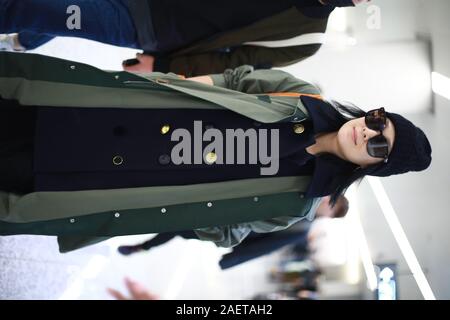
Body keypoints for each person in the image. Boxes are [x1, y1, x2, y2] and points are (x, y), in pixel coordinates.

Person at [0, 52, 432, 254]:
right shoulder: (303, 96)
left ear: (376, 167)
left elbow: (228, 234)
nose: (367, 133)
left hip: (103, 182)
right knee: (17, 104)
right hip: (111, 115)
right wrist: (169, 84)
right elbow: (236, 78)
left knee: (14, 186)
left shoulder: (298, 202)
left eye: (380, 145)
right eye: (378, 120)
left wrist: (201, 215)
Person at [1, 0, 370, 76]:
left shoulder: (305, 37)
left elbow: (232, 63)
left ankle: (17, 34)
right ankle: (22, 42)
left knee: (46, 10)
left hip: (152, 27)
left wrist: (162, 65)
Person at [116, 195, 348, 257]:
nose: (326, 201)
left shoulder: (301, 229)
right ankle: (140, 240)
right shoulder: (300, 200)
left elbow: (266, 245)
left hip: (229, 231)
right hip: (226, 213)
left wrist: (236, 251)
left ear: (329, 215)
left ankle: (139, 242)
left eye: (331, 205)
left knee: (179, 228)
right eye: (331, 199)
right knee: (178, 224)